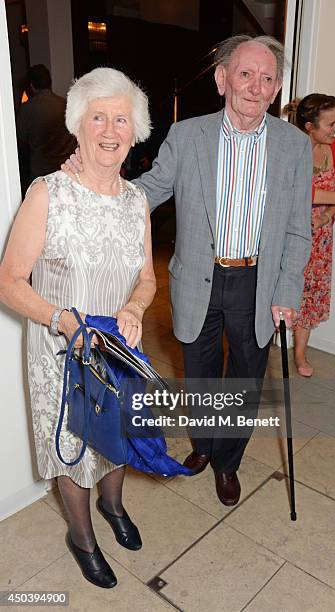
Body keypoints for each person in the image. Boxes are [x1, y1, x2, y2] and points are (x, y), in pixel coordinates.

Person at [64, 34, 313, 507]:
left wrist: (289, 289)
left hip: (258, 284)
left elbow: (300, 228)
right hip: (198, 275)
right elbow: (149, 191)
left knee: (244, 380)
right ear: (222, 80)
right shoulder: (188, 135)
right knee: (199, 377)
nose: (255, 87)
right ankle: (204, 446)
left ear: (277, 87)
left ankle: (228, 462)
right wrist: (91, 186)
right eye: (245, 74)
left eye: (267, 78)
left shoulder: (294, 146)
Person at [0, 67, 156, 589]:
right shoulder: (47, 194)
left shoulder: (137, 203)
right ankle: (82, 536)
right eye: (98, 117)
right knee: (71, 445)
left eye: (121, 119)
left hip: (115, 349)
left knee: (115, 435)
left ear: (135, 130)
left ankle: (114, 506)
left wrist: (134, 308)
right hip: (59, 352)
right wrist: (62, 319)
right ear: (78, 125)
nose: (110, 130)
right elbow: (10, 282)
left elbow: (149, 278)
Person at [284, 95, 335, 377]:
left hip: (321, 237)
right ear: (309, 126)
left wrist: (327, 215)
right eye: (331, 124)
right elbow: (299, 192)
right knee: (283, 289)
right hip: (288, 235)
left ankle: (300, 353)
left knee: (311, 294)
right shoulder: (292, 148)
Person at [16, 64, 76, 191]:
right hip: (67, 168)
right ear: (50, 82)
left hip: (41, 173)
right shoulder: (66, 104)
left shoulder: (27, 109)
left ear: (31, 86)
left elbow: (20, 142)